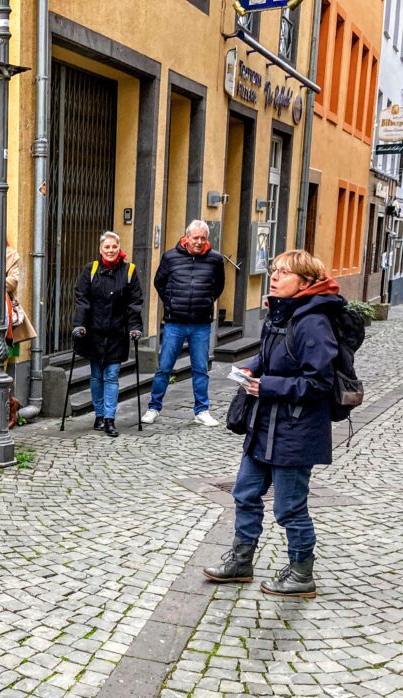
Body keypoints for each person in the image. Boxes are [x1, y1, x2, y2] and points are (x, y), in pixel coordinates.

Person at [203, 250, 341, 598]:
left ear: (305, 282)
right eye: (275, 270)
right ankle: (241, 561)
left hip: (296, 429)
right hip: (264, 423)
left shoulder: (313, 322)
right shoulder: (280, 313)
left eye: (284, 272)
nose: (275, 277)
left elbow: (319, 383)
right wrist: (252, 367)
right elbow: (268, 355)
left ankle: (301, 573)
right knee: (245, 493)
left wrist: (268, 386)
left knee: (289, 507)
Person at [143, 220, 225, 427]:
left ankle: (202, 411)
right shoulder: (170, 257)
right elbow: (159, 282)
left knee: (200, 369)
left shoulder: (215, 259)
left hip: (201, 323)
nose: (199, 242)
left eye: (203, 238)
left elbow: (219, 286)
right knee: (164, 367)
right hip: (175, 322)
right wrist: (171, 302)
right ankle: (153, 407)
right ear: (186, 237)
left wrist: (206, 301)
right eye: (195, 238)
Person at [71, 232, 144, 437]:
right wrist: (79, 324)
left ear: (119, 248)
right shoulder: (91, 269)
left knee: (111, 376)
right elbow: (82, 298)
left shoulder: (129, 271)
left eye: (114, 247)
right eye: (107, 247)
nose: (111, 250)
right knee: (96, 376)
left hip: (117, 333)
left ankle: (110, 419)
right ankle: (99, 415)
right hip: (94, 332)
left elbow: (134, 302)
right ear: (100, 249)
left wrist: (135, 327)